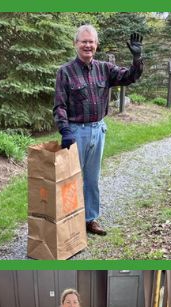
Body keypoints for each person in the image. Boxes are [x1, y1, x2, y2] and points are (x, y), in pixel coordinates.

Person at [54, 25, 143, 236]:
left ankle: (90, 219)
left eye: (91, 42)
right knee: (70, 180)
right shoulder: (64, 72)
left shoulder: (105, 69)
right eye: (83, 41)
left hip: (98, 129)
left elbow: (130, 77)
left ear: (96, 45)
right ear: (76, 44)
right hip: (76, 133)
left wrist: (137, 58)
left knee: (92, 180)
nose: (87, 45)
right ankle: (69, 224)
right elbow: (59, 105)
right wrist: (65, 130)